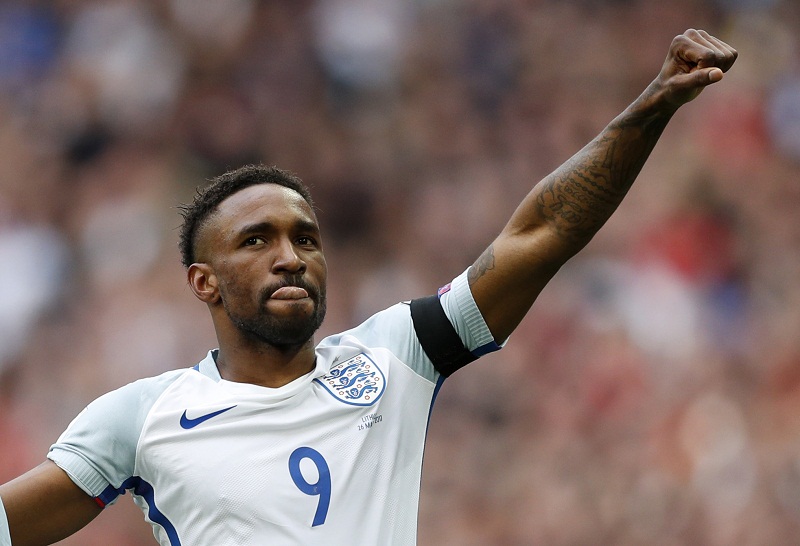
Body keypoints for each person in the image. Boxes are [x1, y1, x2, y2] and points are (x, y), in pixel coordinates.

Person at [0, 29, 736, 545]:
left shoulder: (393, 358)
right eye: (256, 241)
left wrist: (649, 110)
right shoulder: (144, 416)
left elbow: (538, 236)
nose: (290, 256)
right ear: (204, 282)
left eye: (306, 237)